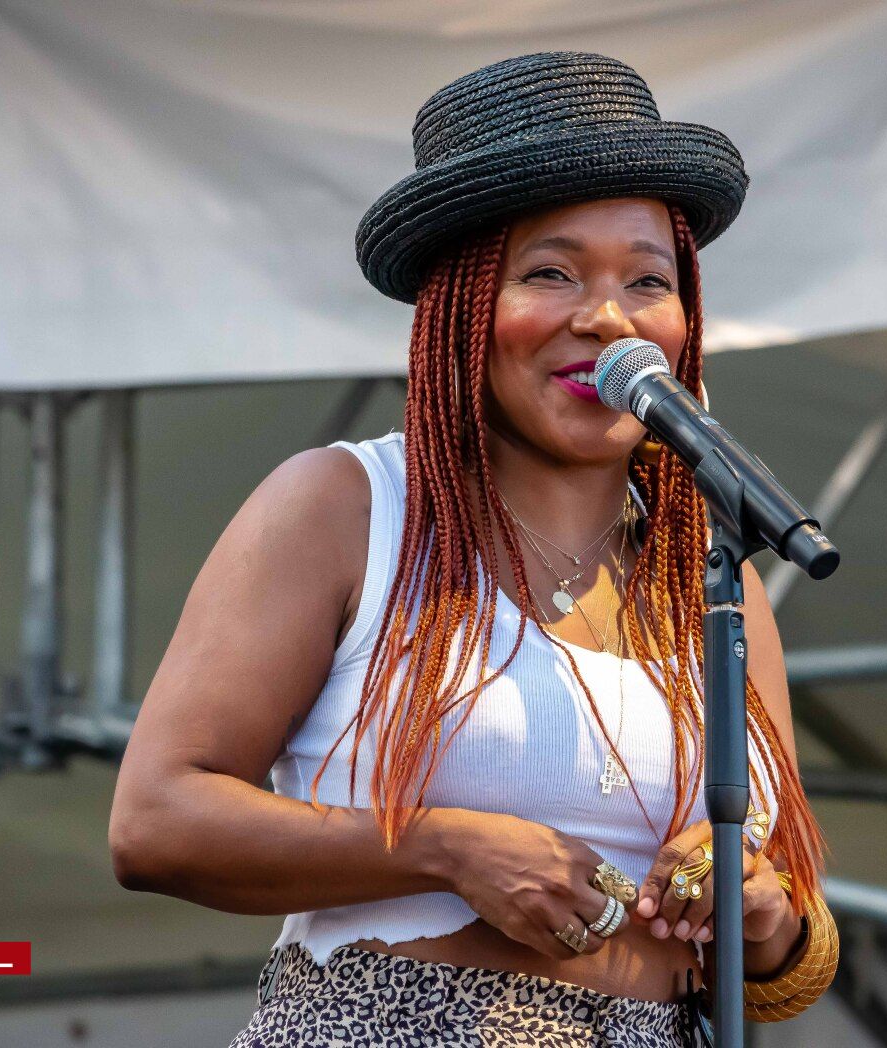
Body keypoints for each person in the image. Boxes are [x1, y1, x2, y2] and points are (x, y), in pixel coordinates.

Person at [108, 50, 837, 1047]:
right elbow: (156, 822)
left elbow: (792, 932)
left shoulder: (710, 579)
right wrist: (446, 849)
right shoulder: (348, 507)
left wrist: (759, 913)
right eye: (551, 273)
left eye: (647, 280)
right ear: (460, 306)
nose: (608, 318)